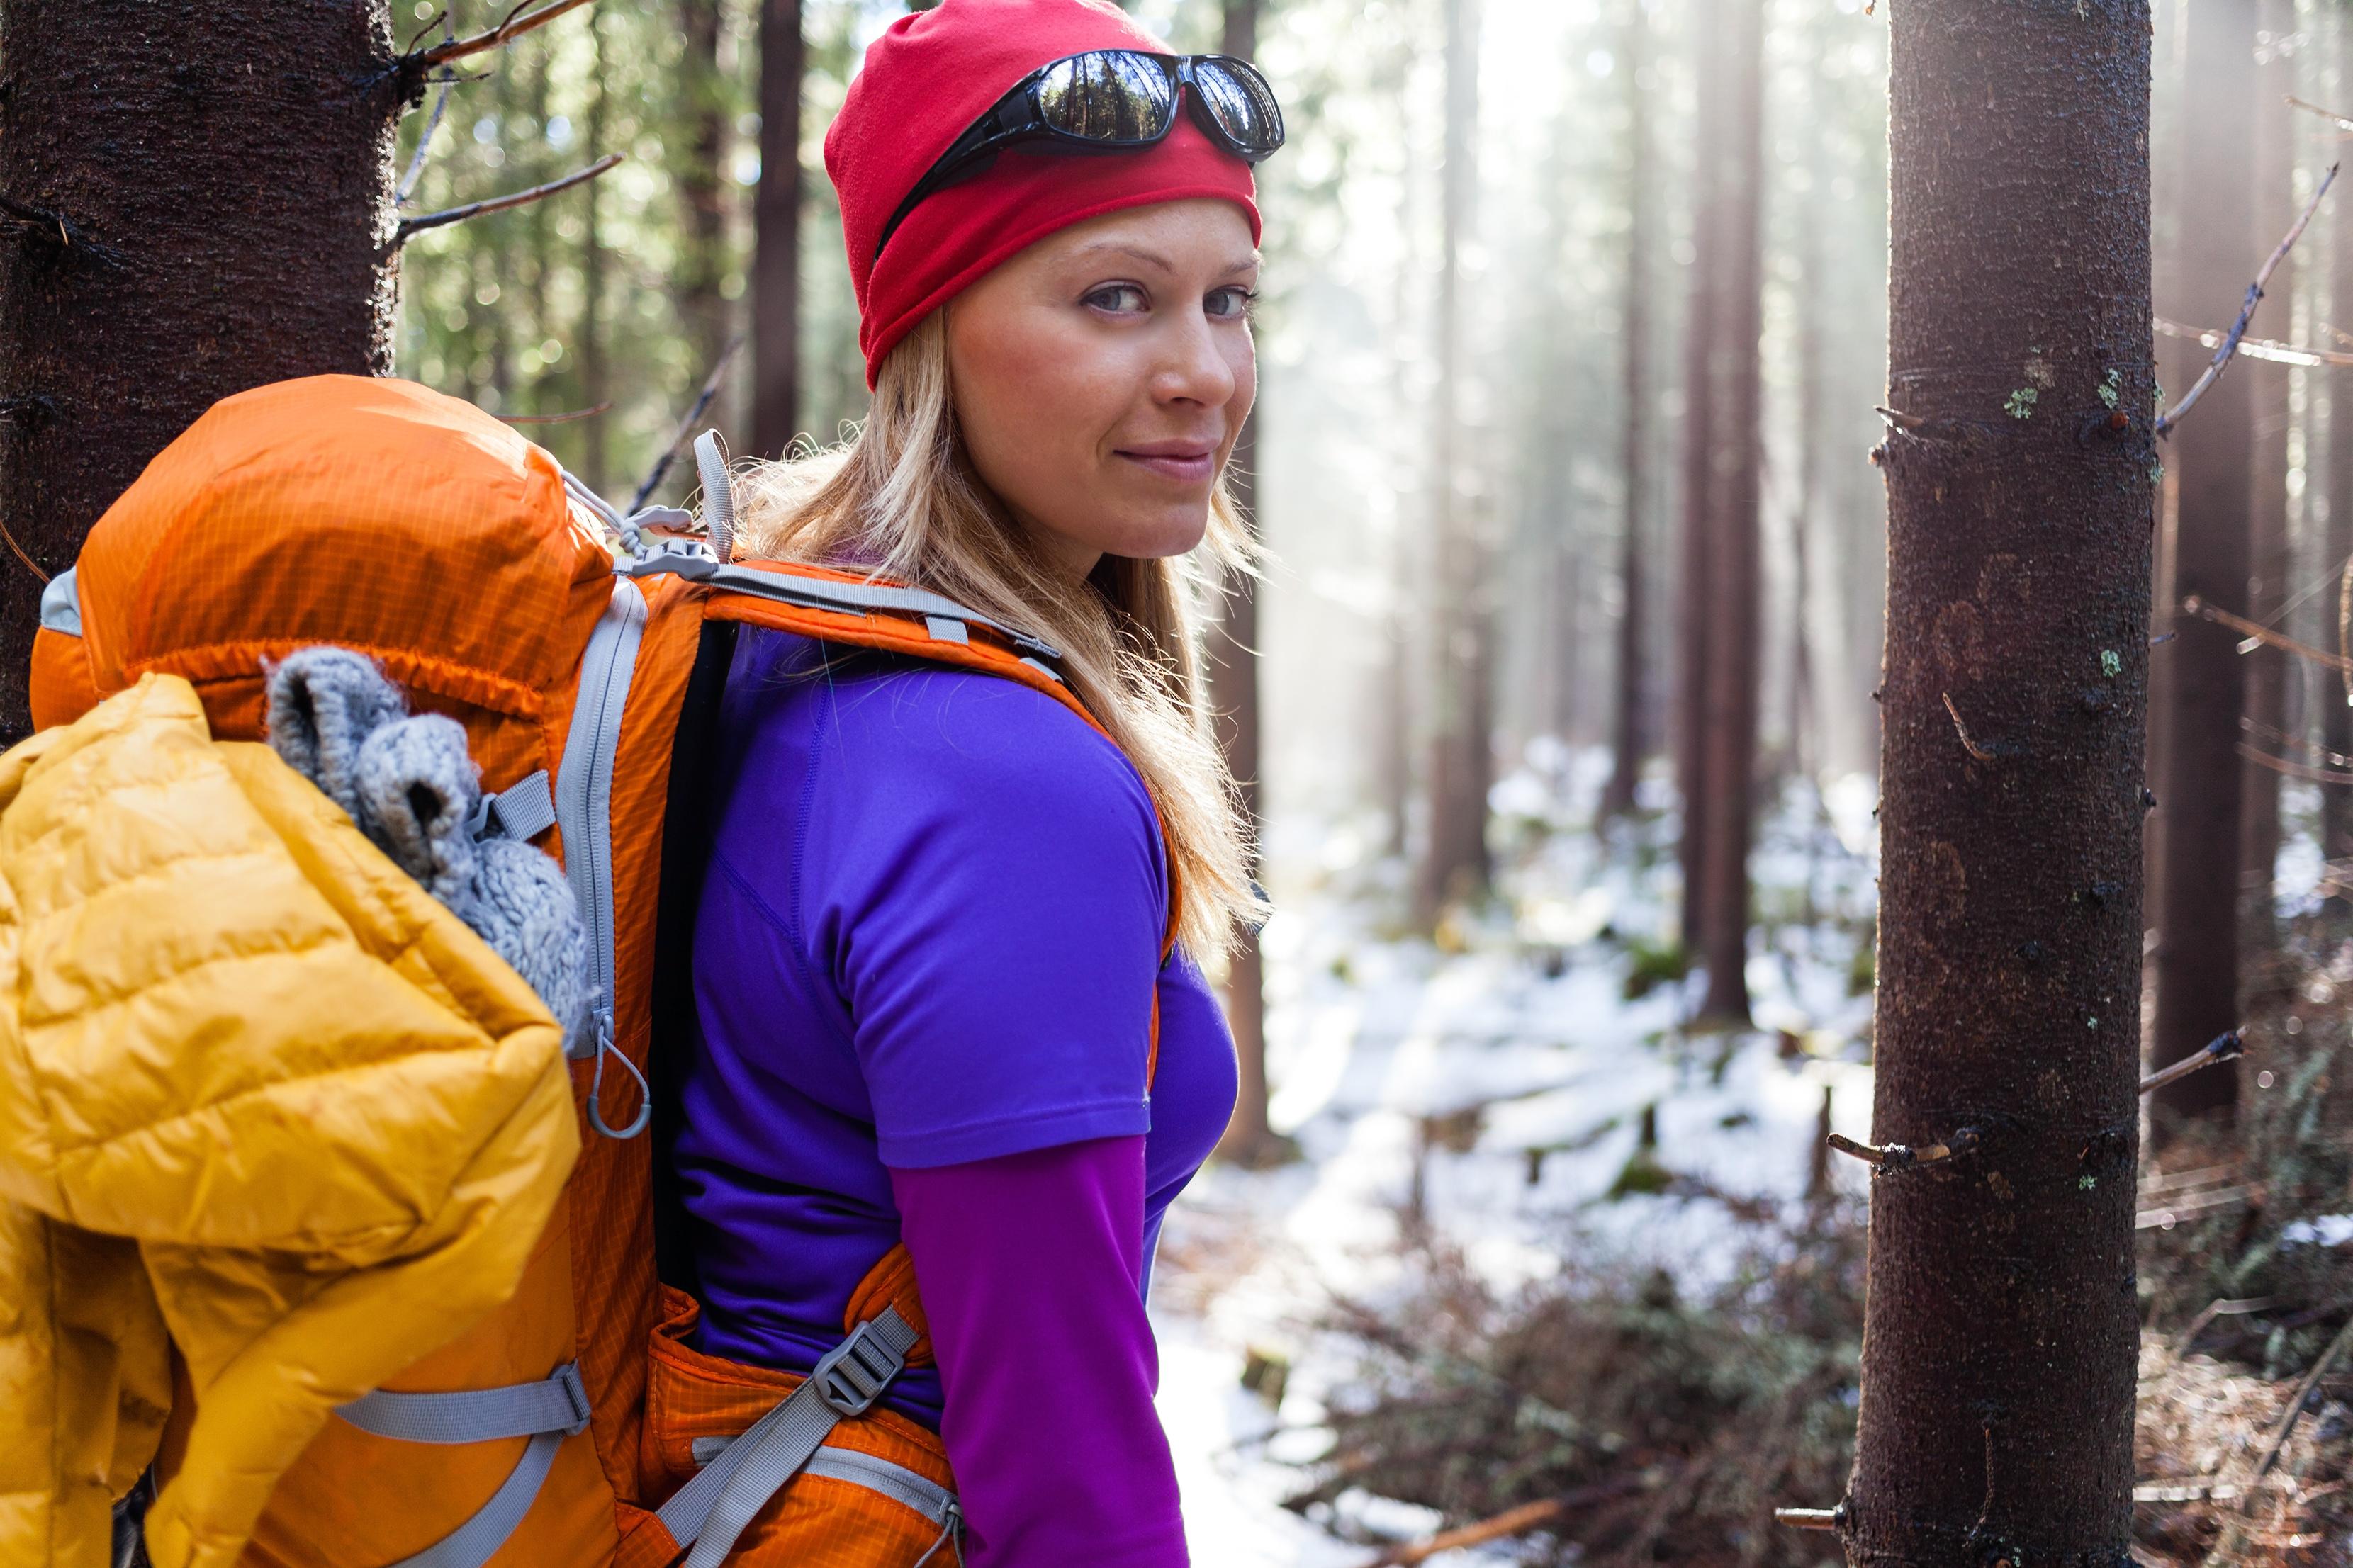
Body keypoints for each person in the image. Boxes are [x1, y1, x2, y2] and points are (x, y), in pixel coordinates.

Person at [665, 0, 1286, 1562]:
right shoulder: (998, 783)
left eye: (1230, 301)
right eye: (1117, 298)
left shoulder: (771, 619)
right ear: (931, 324)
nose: (1201, 372)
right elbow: (1059, 1455)